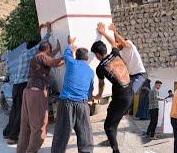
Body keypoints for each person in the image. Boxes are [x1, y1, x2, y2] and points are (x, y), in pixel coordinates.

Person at [3, 23, 55, 145]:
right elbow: (40, 46)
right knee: (22, 112)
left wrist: (39, 30)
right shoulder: (29, 54)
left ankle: (8, 132)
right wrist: (48, 32)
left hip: (16, 86)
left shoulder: (23, 54)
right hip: (22, 86)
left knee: (15, 111)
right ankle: (13, 137)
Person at [17, 30, 65, 153]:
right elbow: (53, 62)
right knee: (39, 127)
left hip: (28, 92)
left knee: (26, 126)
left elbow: (49, 58)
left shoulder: (37, 57)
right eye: (51, 49)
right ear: (47, 49)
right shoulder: (42, 57)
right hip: (36, 93)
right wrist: (68, 54)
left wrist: (58, 49)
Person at [91, 23, 132, 153]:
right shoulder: (115, 53)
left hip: (121, 98)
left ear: (97, 55)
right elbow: (113, 43)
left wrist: (98, 95)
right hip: (129, 94)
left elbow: (101, 85)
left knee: (108, 126)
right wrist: (103, 33)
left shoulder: (100, 68)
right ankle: (112, 137)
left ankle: (115, 150)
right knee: (111, 113)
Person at [51, 36, 94, 153]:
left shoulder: (71, 63)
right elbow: (90, 92)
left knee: (61, 134)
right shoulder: (90, 71)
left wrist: (70, 44)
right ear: (87, 58)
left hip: (66, 104)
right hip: (83, 105)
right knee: (85, 135)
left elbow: (66, 54)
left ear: (76, 57)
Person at [107, 24, 146, 114]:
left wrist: (115, 32)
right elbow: (112, 43)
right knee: (121, 89)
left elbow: (123, 43)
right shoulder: (120, 52)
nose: (115, 43)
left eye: (117, 41)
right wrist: (104, 33)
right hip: (130, 75)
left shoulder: (129, 44)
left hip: (140, 74)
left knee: (131, 91)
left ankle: (124, 110)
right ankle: (116, 108)